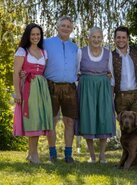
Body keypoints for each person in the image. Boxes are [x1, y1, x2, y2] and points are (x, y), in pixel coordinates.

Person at [13, 23, 53, 164]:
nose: (35, 37)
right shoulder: (22, 51)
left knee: (39, 120)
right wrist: (17, 93)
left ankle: (31, 154)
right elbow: (16, 73)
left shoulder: (44, 52)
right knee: (32, 120)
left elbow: (43, 71)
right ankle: (34, 155)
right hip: (28, 88)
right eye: (33, 34)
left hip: (41, 88)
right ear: (28, 36)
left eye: (38, 34)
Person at [77, 27, 116, 163]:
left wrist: (111, 91)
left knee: (103, 118)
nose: (96, 40)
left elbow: (111, 73)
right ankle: (92, 156)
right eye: (93, 37)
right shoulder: (81, 52)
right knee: (88, 118)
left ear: (102, 38)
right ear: (89, 38)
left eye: (99, 37)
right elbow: (76, 72)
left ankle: (102, 155)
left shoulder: (107, 53)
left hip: (103, 88)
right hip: (87, 89)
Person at [44, 16, 78, 163]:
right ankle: (52, 153)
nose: (65, 28)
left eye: (68, 26)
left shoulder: (75, 47)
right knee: (51, 120)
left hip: (70, 87)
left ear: (72, 29)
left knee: (69, 121)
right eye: (62, 25)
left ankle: (68, 154)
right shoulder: (46, 43)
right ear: (57, 27)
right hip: (51, 86)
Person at [112, 26, 137, 119]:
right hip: (120, 97)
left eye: (123, 37)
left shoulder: (136, 52)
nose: (121, 40)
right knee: (125, 127)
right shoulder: (111, 55)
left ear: (127, 39)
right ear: (114, 39)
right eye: (118, 37)